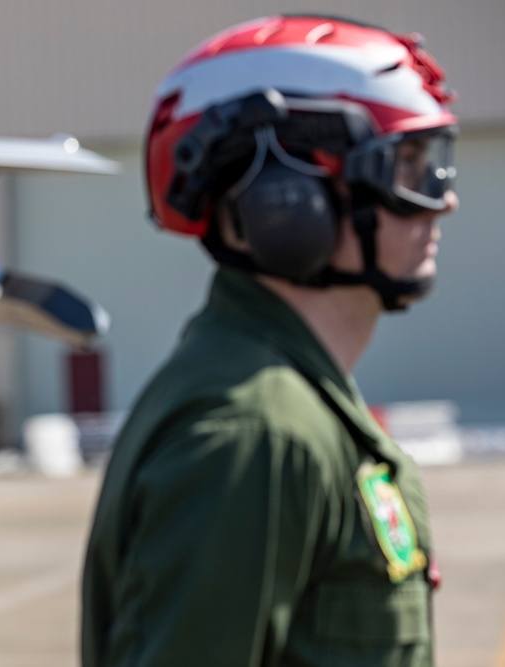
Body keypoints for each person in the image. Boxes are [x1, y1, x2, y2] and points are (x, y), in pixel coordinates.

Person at [82, 15, 459, 666]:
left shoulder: (295, 403)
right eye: (407, 166)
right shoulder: (250, 430)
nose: (441, 202)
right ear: (286, 199)